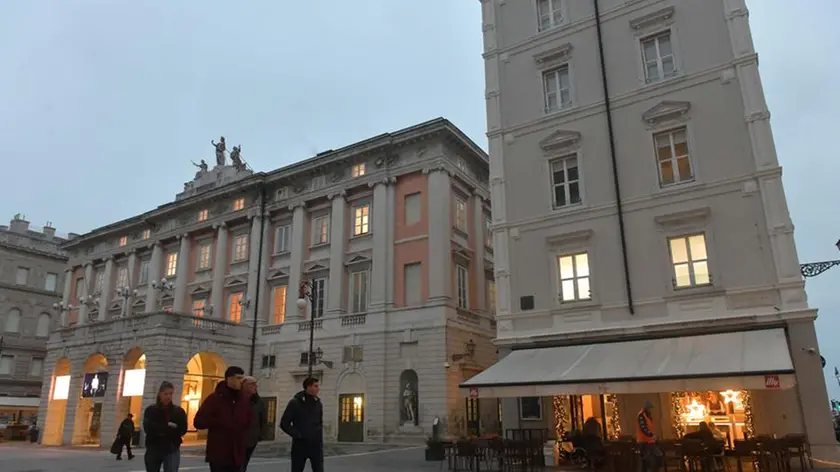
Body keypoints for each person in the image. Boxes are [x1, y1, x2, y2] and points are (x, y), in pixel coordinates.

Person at [193, 366, 252, 472]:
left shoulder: (244, 400)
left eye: (242, 379)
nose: (241, 382)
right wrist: (218, 421)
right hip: (219, 454)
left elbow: (248, 421)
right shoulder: (215, 399)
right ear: (229, 379)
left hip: (237, 454)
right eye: (238, 378)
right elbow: (198, 422)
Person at [280, 377, 324, 472]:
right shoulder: (295, 403)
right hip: (300, 446)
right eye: (315, 386)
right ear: (308, 387)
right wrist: (297, 435)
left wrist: (319, 438)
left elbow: (320, 422)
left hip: (316, 446)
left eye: (318, 386)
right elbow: (284, 423)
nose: (318, 388)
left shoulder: (318, 403)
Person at [143, 381, 188, 472]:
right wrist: (168, 426)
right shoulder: (151, 410)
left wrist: (163, 428)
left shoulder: (178, 411)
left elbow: (182, 429)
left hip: (171, 447)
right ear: (160, 394)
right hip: (154, 447)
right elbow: (148, 428)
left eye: (170, 394)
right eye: (166, 394)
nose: (168, 396)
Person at [242, 376, 269, 472]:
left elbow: (263, 419)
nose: (255, 386)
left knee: (243, 464)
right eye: (252, 384)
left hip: (252, 438)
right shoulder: (238, 400)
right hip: (238, 438)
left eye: (255, 384)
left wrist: (260, 435)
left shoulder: (258, 401)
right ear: (243, 385)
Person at [636, 401, 659, 472]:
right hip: (644, 442)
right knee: (648, 460)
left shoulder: (646, 415)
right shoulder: (641, 415)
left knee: (651, 460)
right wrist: (651, 435)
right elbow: (643, 428)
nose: (650, 410)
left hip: (649, 441)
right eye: (650, 408)